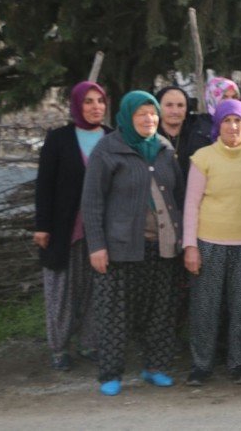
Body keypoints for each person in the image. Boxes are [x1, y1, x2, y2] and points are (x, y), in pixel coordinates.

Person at [82, 91, 184, 396]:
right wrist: (96, 245)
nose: (148, 119)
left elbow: (177, 195)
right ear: (128, 116)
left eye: (152, 113)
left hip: (162, 246)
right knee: (115, 311)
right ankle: (110, 374)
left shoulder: (165, 149)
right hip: (120, 248)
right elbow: (92, 202)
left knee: (161, 310)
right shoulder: (108, 149)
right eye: (141, 113)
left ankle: (155, 368)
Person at [182, 100, 241, 386]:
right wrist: (190, 246)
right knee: (205, 305)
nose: (233, 126)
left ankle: (240, 362)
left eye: (239, 121)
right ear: (218, 124)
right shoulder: (202, 157)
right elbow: (191, 205)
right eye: (227, 121)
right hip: (209, 242)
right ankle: (201, 364)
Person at [34, 81, 109, 371]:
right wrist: (42, 225)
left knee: (96, 287)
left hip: (100, 229)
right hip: (64, 227)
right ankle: (59, 348)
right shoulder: (60, 139)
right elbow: (44, 184)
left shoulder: (111, 137)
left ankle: (90, 343)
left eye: (100, 101)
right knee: (61, 289)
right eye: (88, 101)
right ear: (77, 105)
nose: (95, 107)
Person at [155, 85, 213, 178]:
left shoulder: (199, 134)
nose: (175, 111)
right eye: (169, 105)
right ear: (158, 107)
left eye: (180, 105)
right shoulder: (150, 135)